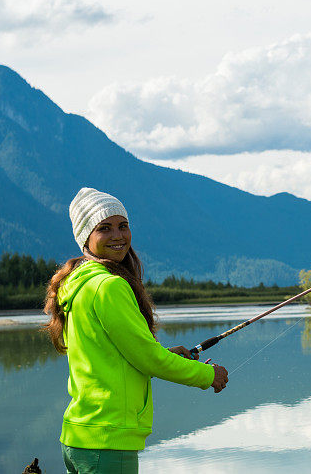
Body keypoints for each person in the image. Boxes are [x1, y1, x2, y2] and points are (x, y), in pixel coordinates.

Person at [43, 187, 228, 473]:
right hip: (107, 441)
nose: (118, 235)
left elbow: (112, 354)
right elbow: (147, 359)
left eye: (123, 226)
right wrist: (207, 375)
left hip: (79, 437)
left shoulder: (76, 283)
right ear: (86, 238)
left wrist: (166, 353)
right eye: (104, 228)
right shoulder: (109, 286)